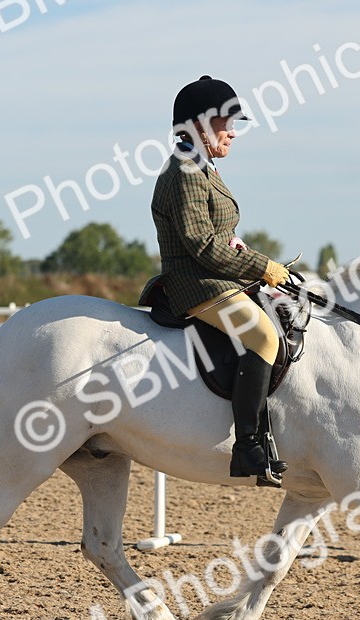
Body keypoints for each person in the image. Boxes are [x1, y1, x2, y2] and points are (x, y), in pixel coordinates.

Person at [151, 75, 290, 486]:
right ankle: (248, 444)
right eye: (224, 123)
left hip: (215, 277)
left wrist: (240, 248)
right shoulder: (184, 173)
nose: (232, 132)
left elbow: (216, 234)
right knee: (264, 337)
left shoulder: (202, 168)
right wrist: (262, 266)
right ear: (196, 126)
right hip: (194, 284)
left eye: (233, 123)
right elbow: (202, 247)